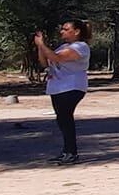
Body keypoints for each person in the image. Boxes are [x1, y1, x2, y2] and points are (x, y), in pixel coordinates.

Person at [34, 20, 92, 165]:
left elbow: (57, 58)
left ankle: (71, 152)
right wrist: (40, 48)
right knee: (61, 119)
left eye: (66, 29)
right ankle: (67, 151)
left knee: (65, 118)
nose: (62, 31)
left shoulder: (81, 47)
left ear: (76, 31)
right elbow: (45, 62)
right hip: (57, 87)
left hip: (72, 87)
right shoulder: (63, 46)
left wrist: (42, 45)